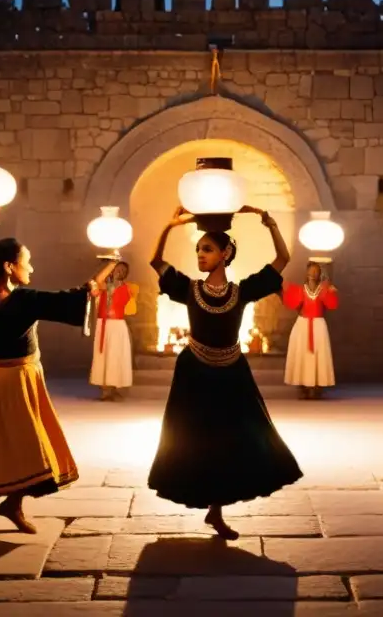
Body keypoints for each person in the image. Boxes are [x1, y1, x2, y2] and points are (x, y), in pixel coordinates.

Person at [148, 205, 303, 540]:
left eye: (207, 249)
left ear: (225, 253)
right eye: (198, 250)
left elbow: (282, 260)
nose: (200, 255)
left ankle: (215, 512)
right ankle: (211, 509)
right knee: (194, 439)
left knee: (237, 438)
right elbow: (155, 262)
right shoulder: (188, 289)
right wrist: (168, 226)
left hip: (231, 371)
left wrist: (270, 223)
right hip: (194, 373)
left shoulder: (241, 291)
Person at [0, 227, 118, 533]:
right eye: (27, 261)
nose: (32, 267)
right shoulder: (23, 299)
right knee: (30, 446)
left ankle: (12, 503)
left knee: (11, 443)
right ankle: (13, 503)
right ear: (9, 266)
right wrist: (109, 263)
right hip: (17, 379)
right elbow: (71, 299)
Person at [282, 261, 339, 399]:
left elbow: (332, 305)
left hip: (318, 325)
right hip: (302, 325)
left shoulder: (323, 289)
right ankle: (304, 386)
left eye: (316, 271)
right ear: (306, 273)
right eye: (311, 271)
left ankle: (317, 386)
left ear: (319, 274)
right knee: (303, 355)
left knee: (318, 355)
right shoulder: (300, 289)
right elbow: (291, 303)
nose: (313, 273)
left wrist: (331, 293)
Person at [89, 261, 139, 401]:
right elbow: (98, 280)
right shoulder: (105, 286)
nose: (120, 271)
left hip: (118, 326)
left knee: (116, 356)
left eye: (124, 270)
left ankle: (114, 387)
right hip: (104, 324)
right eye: (118, 268)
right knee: (104, 356)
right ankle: (105, 390)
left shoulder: (130, 288)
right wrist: (113, 262)